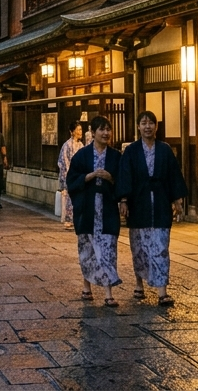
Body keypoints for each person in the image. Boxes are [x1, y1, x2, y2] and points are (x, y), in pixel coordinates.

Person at [117, 111, 188, 306]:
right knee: (139, 247)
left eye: (151, 123)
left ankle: (162, 291)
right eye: (143, 123)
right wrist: (123, 200)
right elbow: (125, 175)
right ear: (138, 127)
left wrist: (177, 200)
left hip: (161, 203)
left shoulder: (165, 150)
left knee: (161, 247)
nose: (147, 126)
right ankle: (139, 283)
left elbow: (174, 175)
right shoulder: (131, 151)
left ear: (156, 127)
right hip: (138, 203)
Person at [67, 115, 123, 307]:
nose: (106, 133)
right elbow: (71, 180)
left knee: (108, 248)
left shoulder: (116, 156)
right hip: (87, 208)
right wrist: (89, 176)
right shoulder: (81, 155)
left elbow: (124, 181)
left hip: (107, 208)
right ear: (93, 132)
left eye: (108, 129)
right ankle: (86, 286)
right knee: (87, 249)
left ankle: (108, 292)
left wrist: (112, 179)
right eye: (102, 129)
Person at [57, 120, 84, 229]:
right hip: (70, 175)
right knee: (69, 198)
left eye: (81, 129)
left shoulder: (81, 145)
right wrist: (68, 176)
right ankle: (69, 219)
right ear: (72, 132)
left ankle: (77, 219)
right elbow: (64, 162)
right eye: (78, 130)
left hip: (79, 175)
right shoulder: (67, 145)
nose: (80, 132)